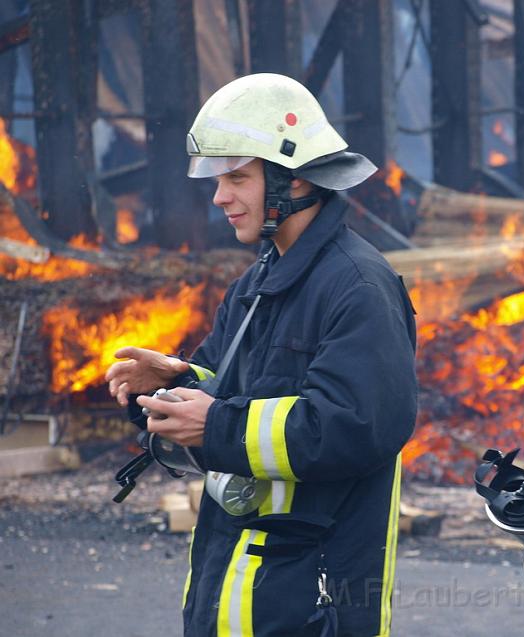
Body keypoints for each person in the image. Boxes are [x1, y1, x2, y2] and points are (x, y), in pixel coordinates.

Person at [105, 73, 418, 637]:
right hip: (235, 590)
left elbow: (356, 425)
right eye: (220, 179)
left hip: (312, 600)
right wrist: (171, 381)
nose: (220, 196)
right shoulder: (260, 282)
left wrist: (215, 422)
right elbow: (226, 386)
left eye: (236, 178)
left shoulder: (358, 286)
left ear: (293, 179)